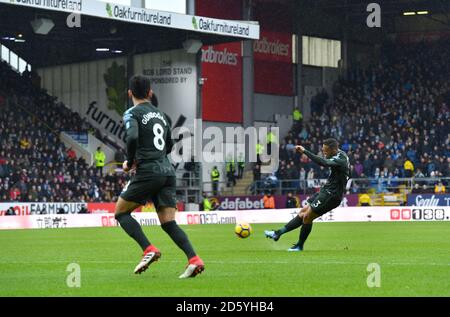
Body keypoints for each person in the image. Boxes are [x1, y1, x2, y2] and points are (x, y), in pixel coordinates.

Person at [114, 75, 204, 278]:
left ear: (130, 94)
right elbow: (170, 145)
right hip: (167, 171)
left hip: (148, 171)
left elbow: (133, 137)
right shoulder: (161, 115)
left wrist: (130, 161)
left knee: (120, 213)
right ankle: (194, 259)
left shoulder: (131, 113)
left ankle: (148, 249)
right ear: (150, 93)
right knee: (168, 223)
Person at [265, 138, 350, 251]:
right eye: (323, 150)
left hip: (332, 195)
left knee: (307, 217)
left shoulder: (341, 159)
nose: (324, 153)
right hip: (326, 190)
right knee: (303, 211)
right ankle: (278, 233)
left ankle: (299, 245)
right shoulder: (339, 154)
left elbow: (323, 163)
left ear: (333, 149)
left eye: (326, 151)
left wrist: (305, 151)